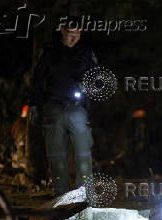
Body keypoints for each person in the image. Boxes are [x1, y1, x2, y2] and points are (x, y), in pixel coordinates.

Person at [29, 17, 98, 196]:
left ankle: (85, 198)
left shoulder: (86, 52)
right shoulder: (50, 51)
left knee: (83, 155)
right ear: (62, 31)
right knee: (56, 156)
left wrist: (88, 86)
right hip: (53, 105)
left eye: (77, 34)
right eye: (69, 34)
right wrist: (35, 105)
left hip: (77, 107)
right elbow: (37, 79)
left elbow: (97, 77)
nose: (73, 38)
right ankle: (61, 197)